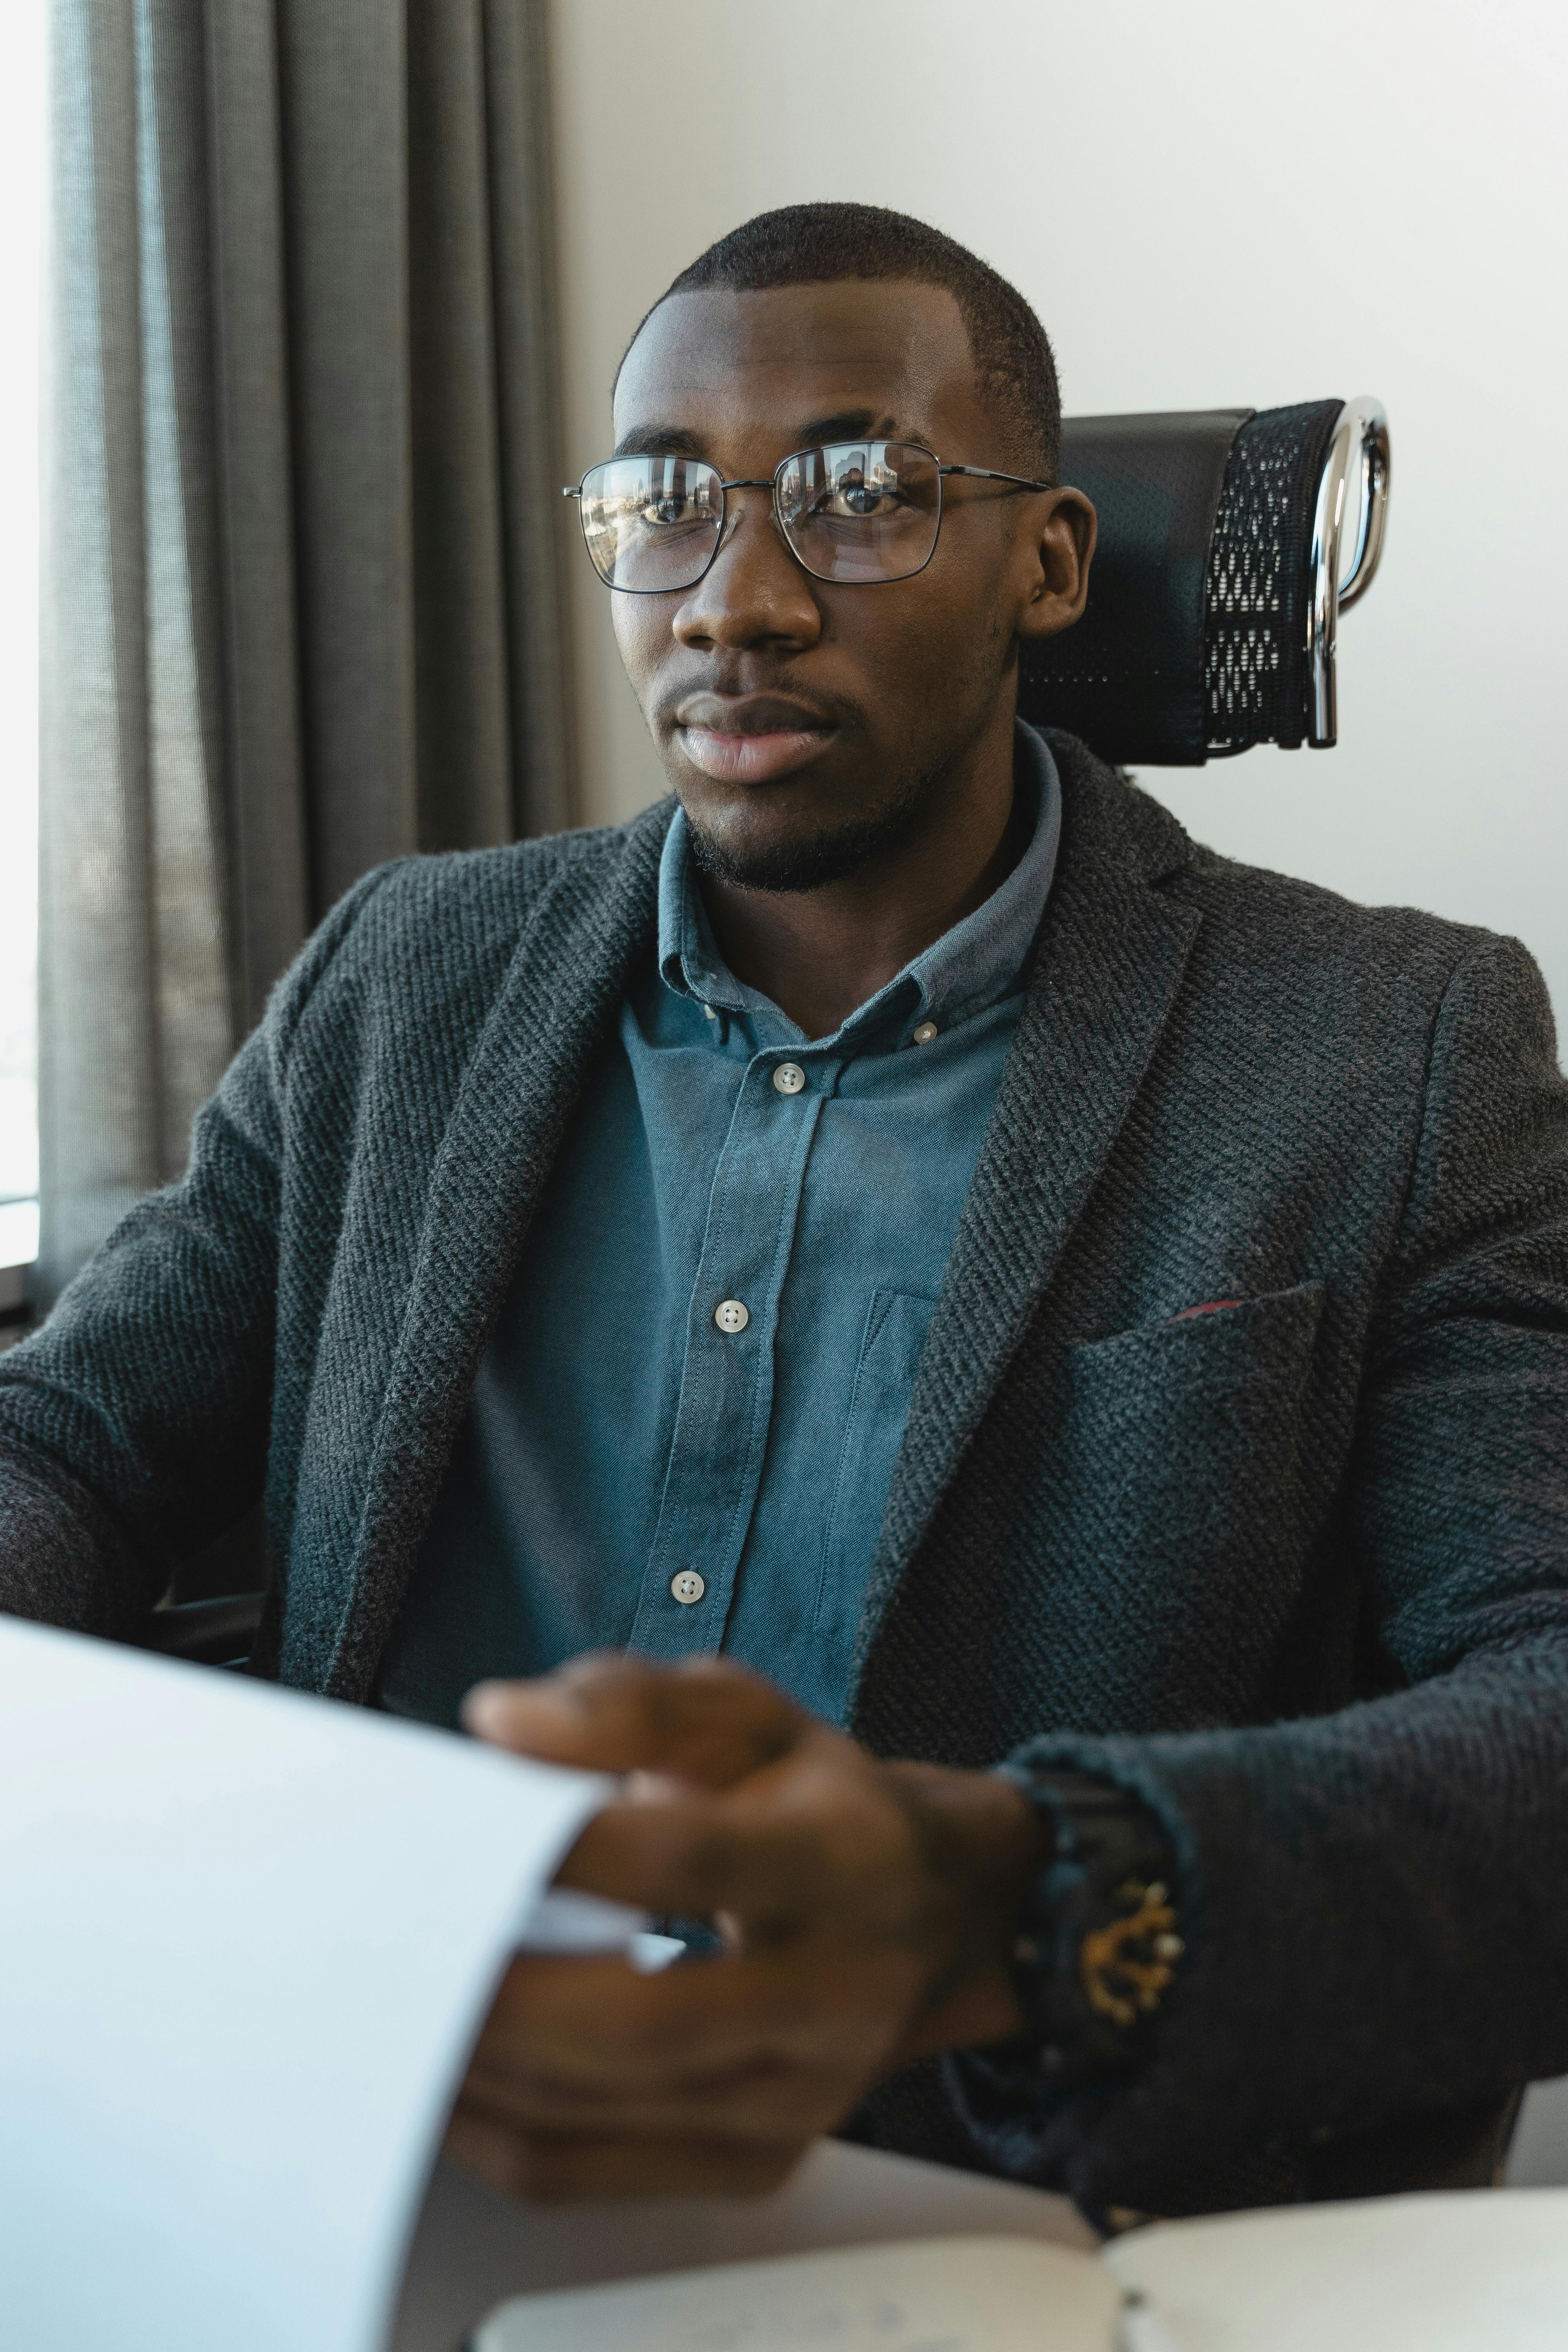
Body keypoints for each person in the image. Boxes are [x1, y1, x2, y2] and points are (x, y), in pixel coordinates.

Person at [3, 202, 1566, 2226]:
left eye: (858, 495)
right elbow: (70, 1437)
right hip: (352, 2167)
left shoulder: (1394, 1051)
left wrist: (1021, 1899)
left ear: (1052, 564)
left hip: (982, 2213)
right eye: (661, 503)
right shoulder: (408, 982)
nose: (731, 600)